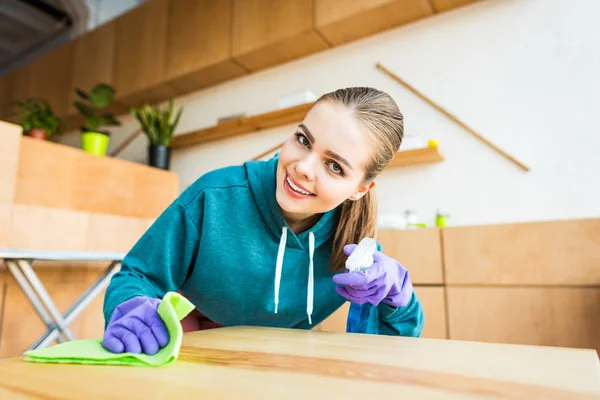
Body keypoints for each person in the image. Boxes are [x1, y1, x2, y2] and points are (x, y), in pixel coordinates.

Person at [102, 87, 424, 355]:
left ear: (360, 189)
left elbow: (393, 347)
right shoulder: (213, 196)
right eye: (304, 141)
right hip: (193, 344)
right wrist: (132, 306)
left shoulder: (353, 248)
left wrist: (400, 299)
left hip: (278, 364)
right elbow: (137, 274)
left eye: (335, 167)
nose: (303, 168)